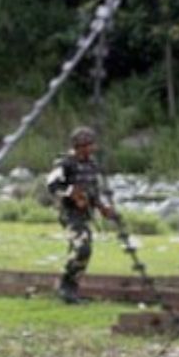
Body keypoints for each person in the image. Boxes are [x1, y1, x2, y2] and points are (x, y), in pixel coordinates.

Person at [45, 126, 118, 304]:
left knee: (78, 250)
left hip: (86, 212)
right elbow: (52, 185)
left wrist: (103, 208)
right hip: (69, 213)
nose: (92, 149)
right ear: (78, 146)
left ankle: (71, 290)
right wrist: (72, 193)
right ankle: (65, 285)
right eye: (88, 145)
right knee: (83, 248)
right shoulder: (65, 163)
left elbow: (93, 190)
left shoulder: (91, 165)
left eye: (92, 145)